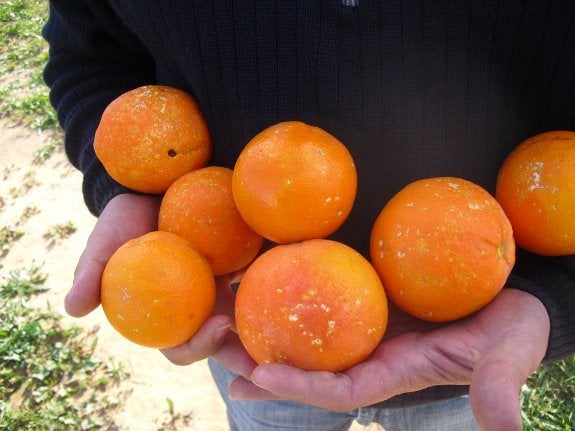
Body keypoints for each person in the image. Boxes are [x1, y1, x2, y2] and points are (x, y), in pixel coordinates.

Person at [43, 1, 575, 430]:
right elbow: (92, 56)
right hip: (249, 335)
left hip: (464, 346)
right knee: (265, 407)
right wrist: (131, 187)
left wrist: (556, 292)